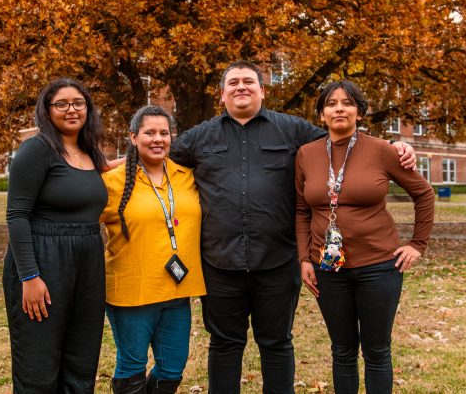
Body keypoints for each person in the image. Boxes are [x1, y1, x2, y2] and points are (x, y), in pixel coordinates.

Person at [169, 60, 416, 394]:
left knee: (276, 343)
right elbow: (153, 153)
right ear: (222, 93)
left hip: (277, 261)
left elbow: (344, 138)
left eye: (249, 82)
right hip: (219, 261)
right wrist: (98, 165)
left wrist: (395, 146)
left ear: (262, 90)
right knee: (225, 344)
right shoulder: (199, 136)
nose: (241, 87)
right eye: (233, 83)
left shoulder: (292, 130)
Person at [295, 80, 435, 394]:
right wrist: (304, 258)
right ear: (321, 115)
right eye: (331, 103)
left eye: (347, 103)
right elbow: (302, 210)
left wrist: (417, 244)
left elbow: (424, 194)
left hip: (379, 267)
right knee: (342, 349)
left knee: (376, 351)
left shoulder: (382, 151)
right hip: (328, 269)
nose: (339, 108)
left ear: (359, 112)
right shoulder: (306, 154)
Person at [2, 78, 108, 393]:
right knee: (39, 367)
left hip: (88, 262)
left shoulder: (88, 151)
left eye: (79, 102)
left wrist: (145, 156)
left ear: (88, 109)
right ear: (47, 111)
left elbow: (102, 176)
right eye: (61, 104)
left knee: (81, 363)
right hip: (44, 261)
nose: (71, 109)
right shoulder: (37, 149)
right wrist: (30, 277)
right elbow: (17, 215)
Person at [101, 105, 206, 394]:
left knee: (172, 367)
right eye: (149, 133)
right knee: (132, 366)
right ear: (134, 137)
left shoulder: (187, 176)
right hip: (132, 291)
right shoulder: (113, 181)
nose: (157, 139)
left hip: (177, 289)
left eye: (164, 132)